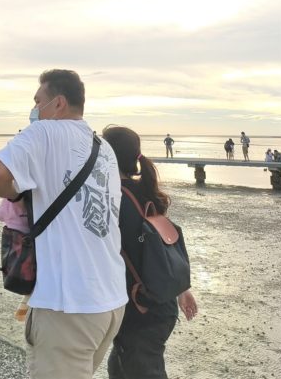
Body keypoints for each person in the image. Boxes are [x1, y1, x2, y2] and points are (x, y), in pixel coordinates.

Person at [0, 69, 125, 379]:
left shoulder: (43, 133)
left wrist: (15, 193)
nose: (34, 110)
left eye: (38, 101)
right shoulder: (104, 148)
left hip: (68, 307)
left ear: (58, 103)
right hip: (110, 301)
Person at [101, 126, 198, 379]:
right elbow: (159, 246)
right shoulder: (143, 190)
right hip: (156, 301)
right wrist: (181, 290)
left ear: (106, 156)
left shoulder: (111, 197)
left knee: (138, 368)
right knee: (121, 365)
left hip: (140, 308)